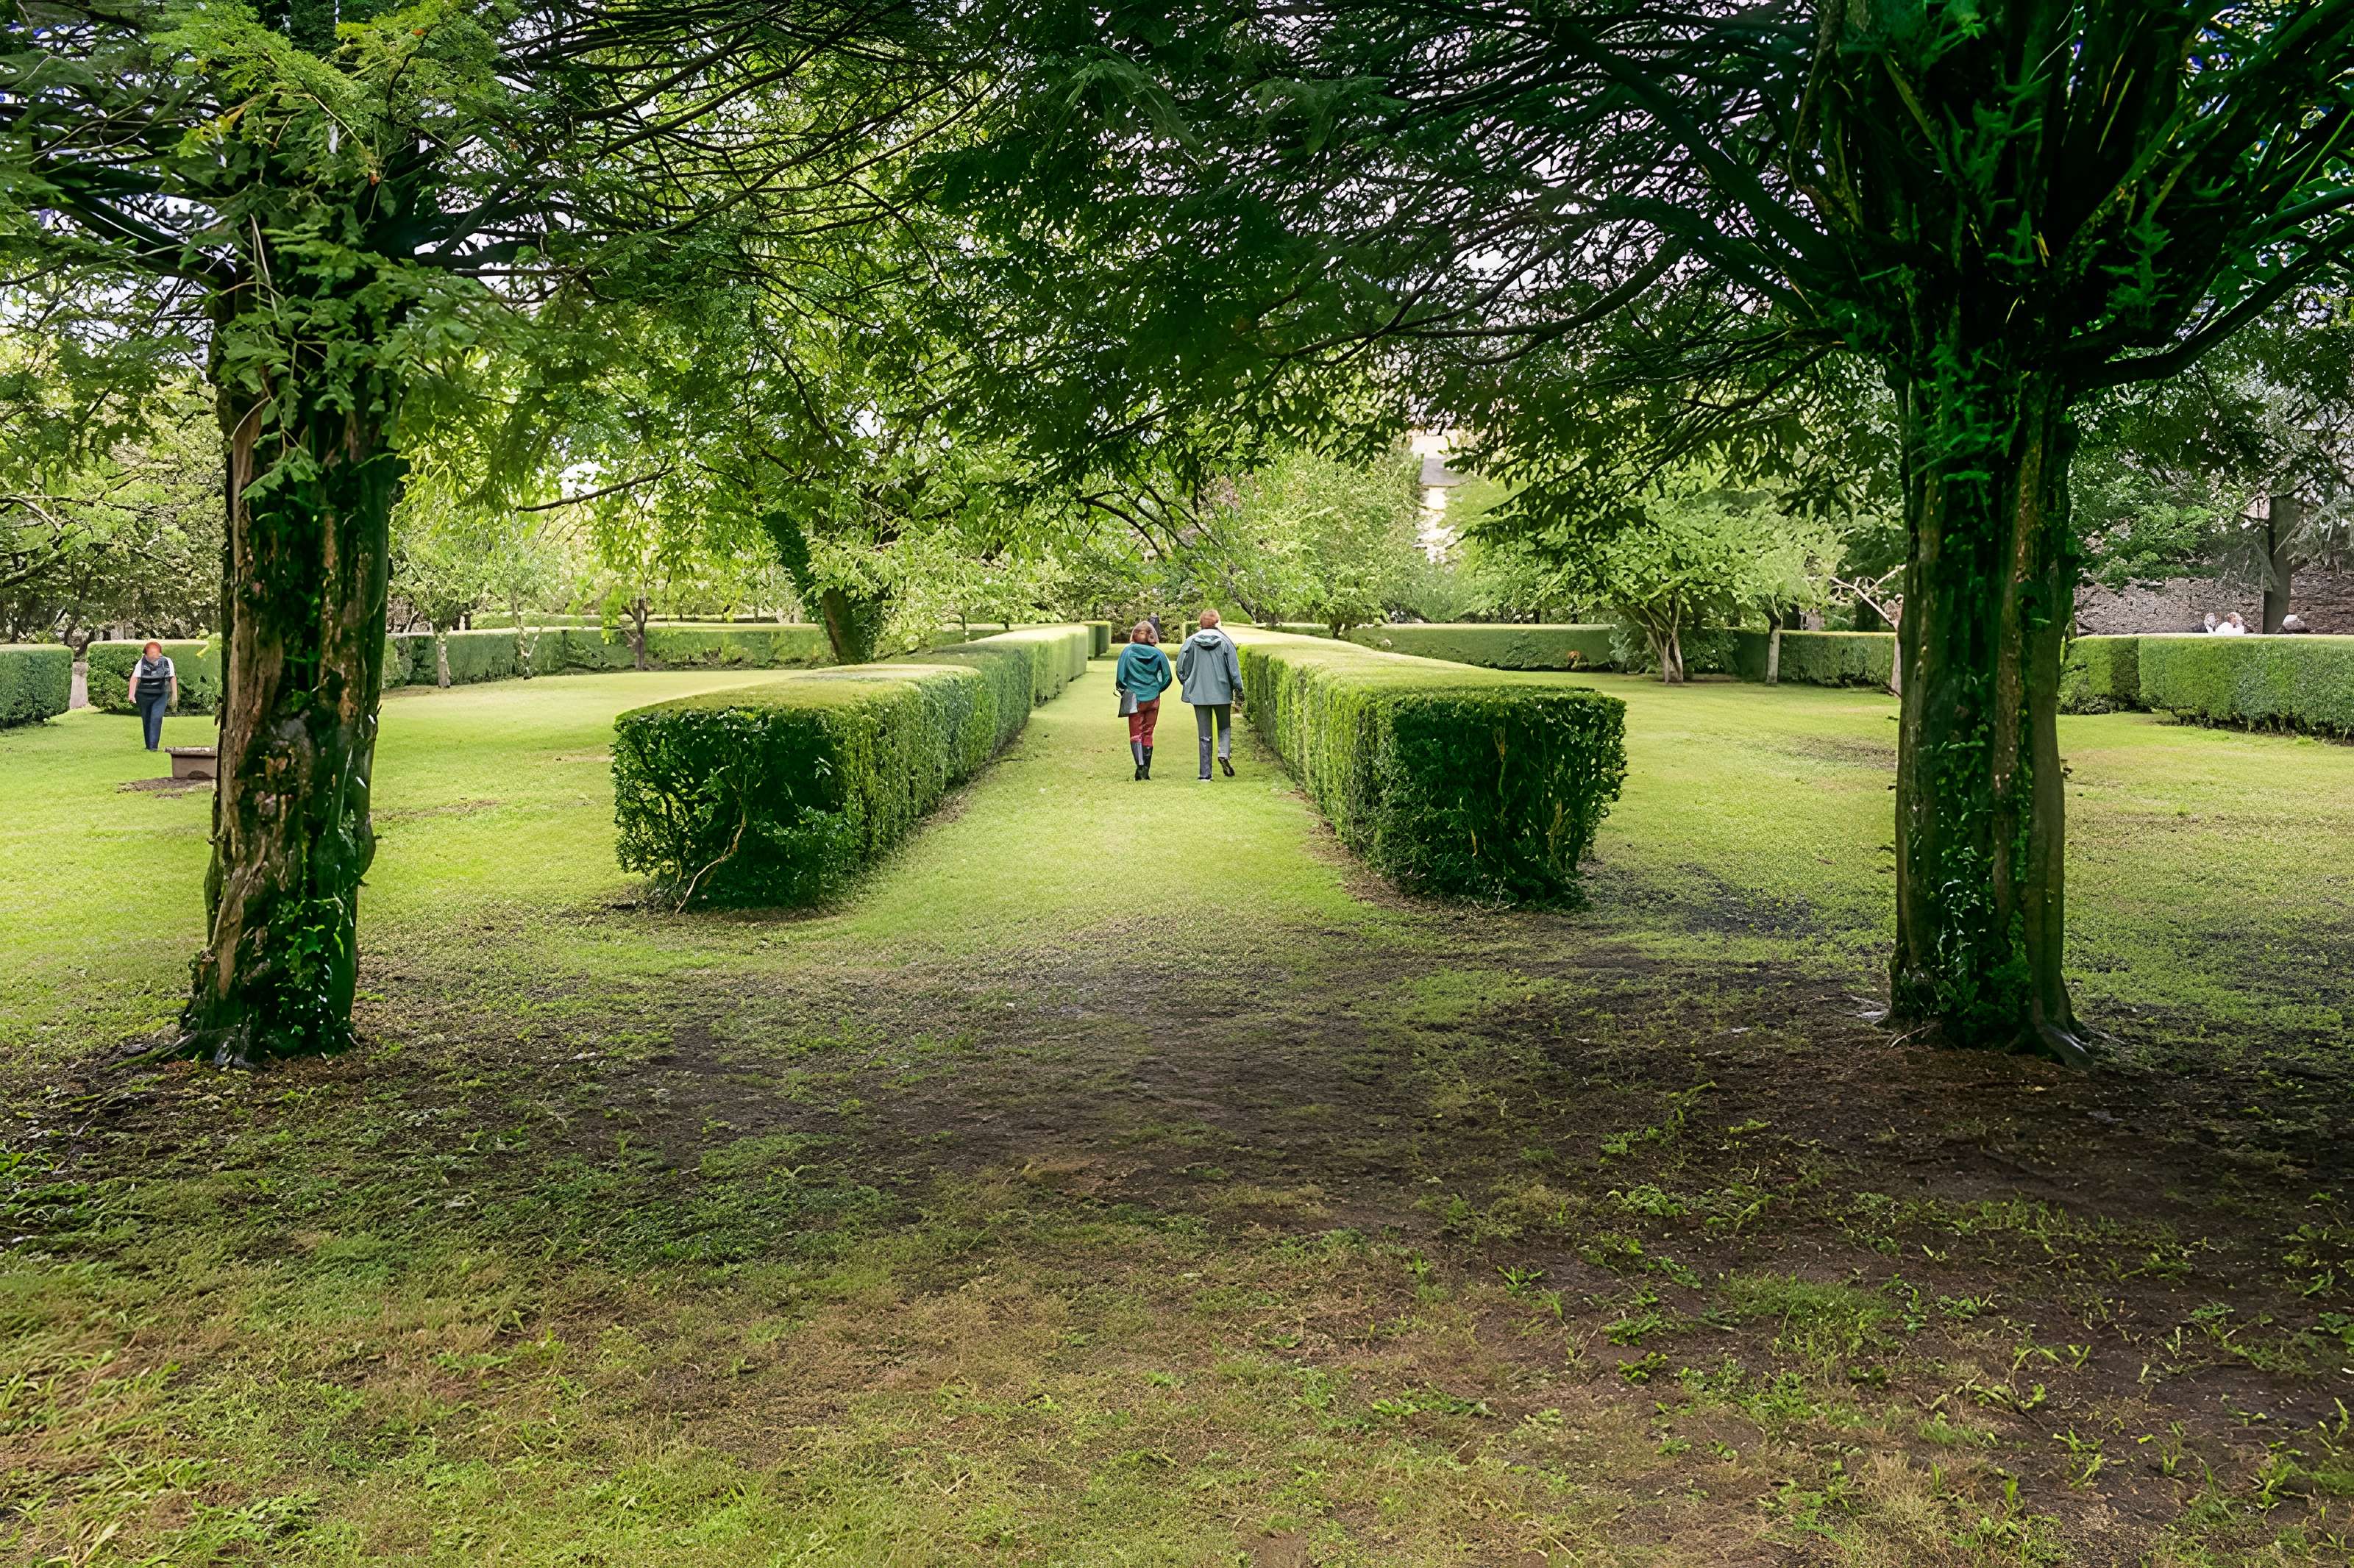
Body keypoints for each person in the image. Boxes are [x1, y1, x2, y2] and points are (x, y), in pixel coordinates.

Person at [1177, 609, 1244, 781]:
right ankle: (1223, 753)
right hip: (1221, 692)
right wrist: (1239, 689)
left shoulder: (1191, 641)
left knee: (1204, 734)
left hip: (1199, 693)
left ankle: (1205, 775)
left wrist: (1187, 681)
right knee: (1224, 727)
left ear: (1200, 623)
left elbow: (1180, 668)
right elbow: (1234, 670)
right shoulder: (1226, 642)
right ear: (1218, 623)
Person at [1114, 621, 1173, 780]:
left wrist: (1125, 690)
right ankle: (1145, 771)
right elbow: (1168, 678)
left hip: (1134, 697)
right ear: (1152, 636)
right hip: (1153, 698)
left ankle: (1139, 766)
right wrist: (1157, 689)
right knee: (1148, 732)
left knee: (1136, 734)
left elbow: (1120, 678)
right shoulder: (1159, 654)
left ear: (1133, 635)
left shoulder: (1127, 652)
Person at [127, 640, 177, 752]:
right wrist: (132, 695)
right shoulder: (141, 663)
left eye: (156, 653)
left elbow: (172, 678)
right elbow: (134, 678)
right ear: (146, 654)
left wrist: (175, 695)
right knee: (147, 720)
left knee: (156, 718)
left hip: (160, 694)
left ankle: (153, 747)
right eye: (151, 653)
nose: (154, 655)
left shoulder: (167, 661)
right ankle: (149, 745)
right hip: (144, 695)